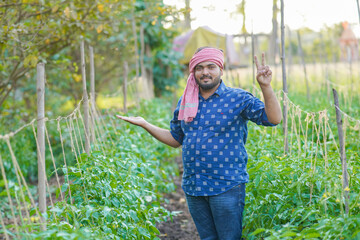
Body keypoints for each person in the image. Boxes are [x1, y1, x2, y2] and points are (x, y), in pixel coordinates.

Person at [116, 47, 282, 240]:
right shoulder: (186, 101)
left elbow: (273, 119)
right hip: (194, 187)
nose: (205, 72)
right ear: (193, 72)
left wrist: (265, 87)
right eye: (199, 67)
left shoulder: (238, 99)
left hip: (226, 185)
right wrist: (145, 124)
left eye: (211, 67)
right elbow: (176, 139)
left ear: (221, 69)